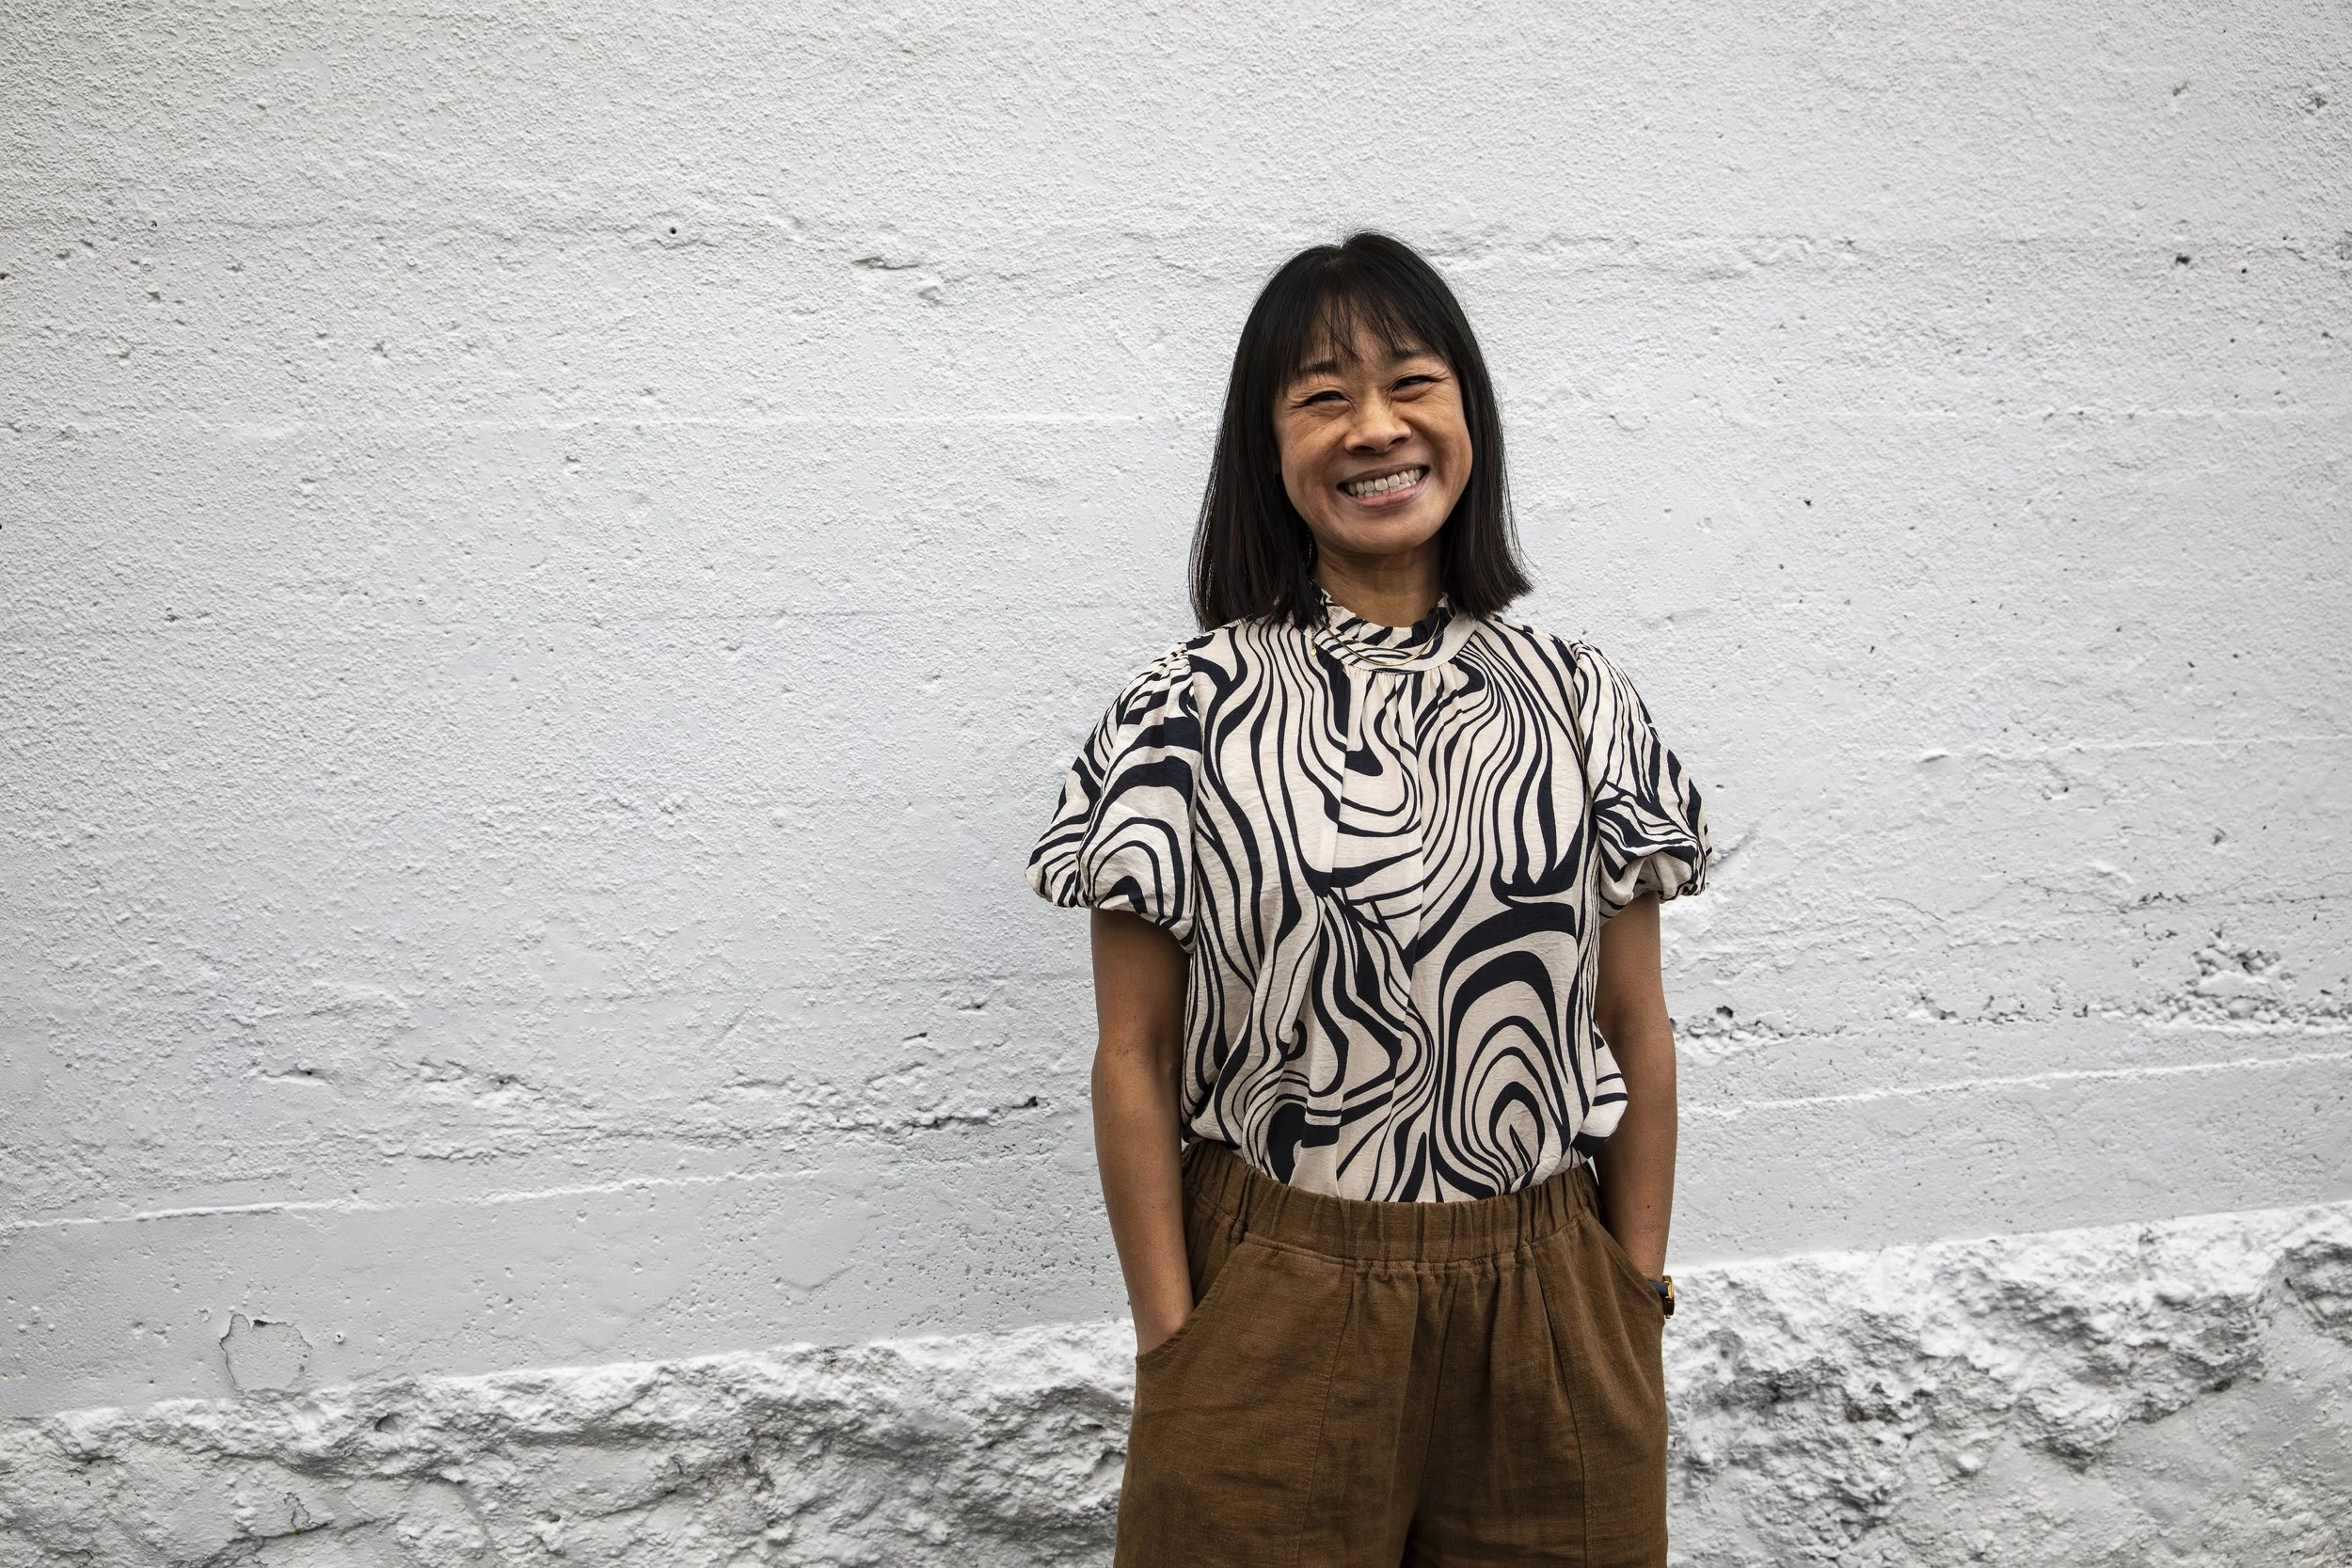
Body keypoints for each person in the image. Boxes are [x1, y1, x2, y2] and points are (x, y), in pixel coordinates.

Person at [1025, 230, 1713, 1567]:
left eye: (1411, 380)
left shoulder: (1582, 702)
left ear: (1470, 414)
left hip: (1549, 1292)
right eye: (1321, 396)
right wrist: (1178, 1345)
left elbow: (1638, 1030)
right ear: (1267, 446)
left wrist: (1629, 1295)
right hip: (1272, 1291)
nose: (1375, 427)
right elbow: (1135, 1053)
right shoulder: (1184, 715)